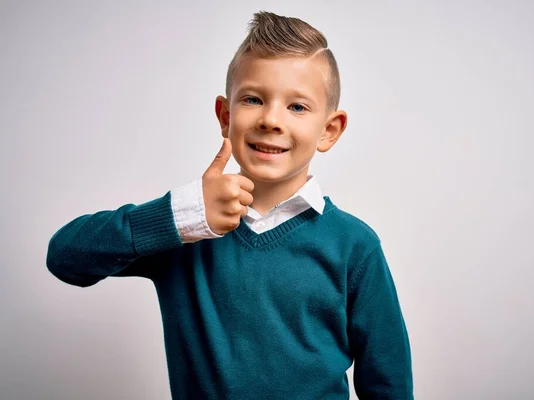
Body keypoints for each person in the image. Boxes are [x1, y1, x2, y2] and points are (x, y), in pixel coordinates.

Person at [46, 11, 413, 399]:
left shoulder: (354, 246)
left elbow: (388, 382)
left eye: (297, 107)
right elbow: (65, 257)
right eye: (253, 99)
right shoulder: (181, 231)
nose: (271, 119)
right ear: (226, 116)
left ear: (329, 130)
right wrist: (180, 216)